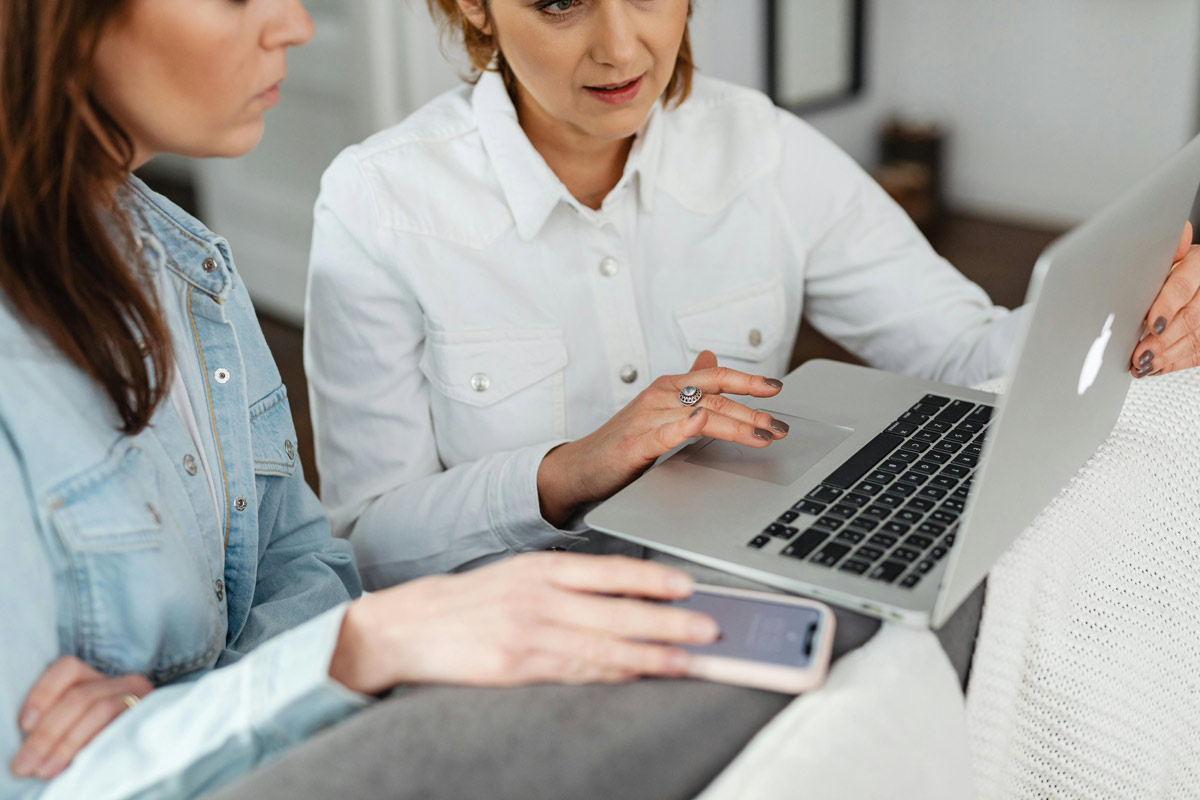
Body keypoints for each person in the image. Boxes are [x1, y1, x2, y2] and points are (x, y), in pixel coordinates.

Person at [1, 0, 722, 796]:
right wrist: (362, 644)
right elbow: (41, 777)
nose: (296, 24)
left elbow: (310, 570)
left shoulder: (186, 266)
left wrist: (185, 717)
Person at [305, 0, 1200, 590]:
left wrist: (1136, 316)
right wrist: (575, 468)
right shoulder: (379, 203)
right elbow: (367, 543)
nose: (622, 47)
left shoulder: (763, 147)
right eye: (562, 0)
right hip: (518, 628)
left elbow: (965, 352)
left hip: (756, 589)